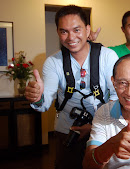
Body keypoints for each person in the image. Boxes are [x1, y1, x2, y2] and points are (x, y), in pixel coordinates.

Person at [25, 5, 119, 169]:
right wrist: (37, 97)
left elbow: (117, 96)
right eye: (64, 31)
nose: (71, 37)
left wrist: (94, 126)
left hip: (103, 128)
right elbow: (44, 103)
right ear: (58, 32)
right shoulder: (53, 62)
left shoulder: (107, 56)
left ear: (87, 29)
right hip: (68, 131)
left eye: (76, 30)